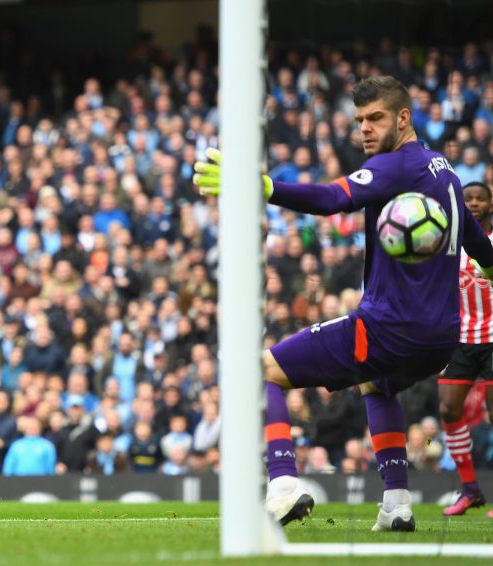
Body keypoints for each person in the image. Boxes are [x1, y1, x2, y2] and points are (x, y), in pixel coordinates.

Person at [194, 76, 493, 531]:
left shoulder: (397, 167)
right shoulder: (446, 174)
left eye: (375, 118)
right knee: (376, 387)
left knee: (261, 370)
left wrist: (263, 186)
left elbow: (334, 198)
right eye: (359, 120)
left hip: (389, 328)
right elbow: (482, 250)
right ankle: (396, 503)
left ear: (403, 118)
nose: (365, 129)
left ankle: (282, 485)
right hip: (440, 340)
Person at [438, 181, 493, 518]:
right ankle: (470, 490)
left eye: (479, 199)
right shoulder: (450, 243)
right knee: (447, 410)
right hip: (463, 339)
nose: (473, 204)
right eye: (467, 199)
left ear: (490, 203)